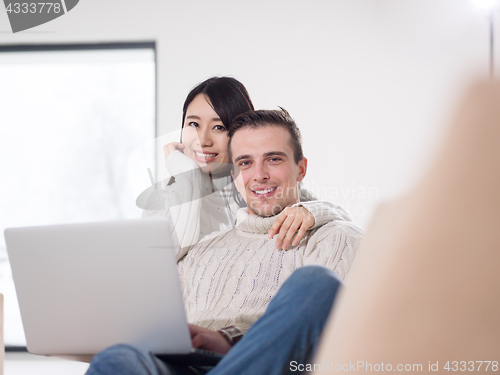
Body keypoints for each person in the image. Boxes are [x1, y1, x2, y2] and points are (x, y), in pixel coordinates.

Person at [86, 108, 364, 375]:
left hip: (266, 365)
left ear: (301, 169)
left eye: (274, 159)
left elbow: (344, 332)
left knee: (317, 283)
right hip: (185, 366)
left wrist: (229, 338)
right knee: (118, 359)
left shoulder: (334, 237)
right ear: (233, 176)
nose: (259, 174)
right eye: (245, 163)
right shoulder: (201, 251)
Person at [138, 77, 351, 258]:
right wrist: (188, 177)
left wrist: (311, 211)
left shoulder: (257, 188)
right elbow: (163, 261)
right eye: (193, 124)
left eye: (219, 127)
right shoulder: (160, 200)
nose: (203, 140)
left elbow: (340, 217)